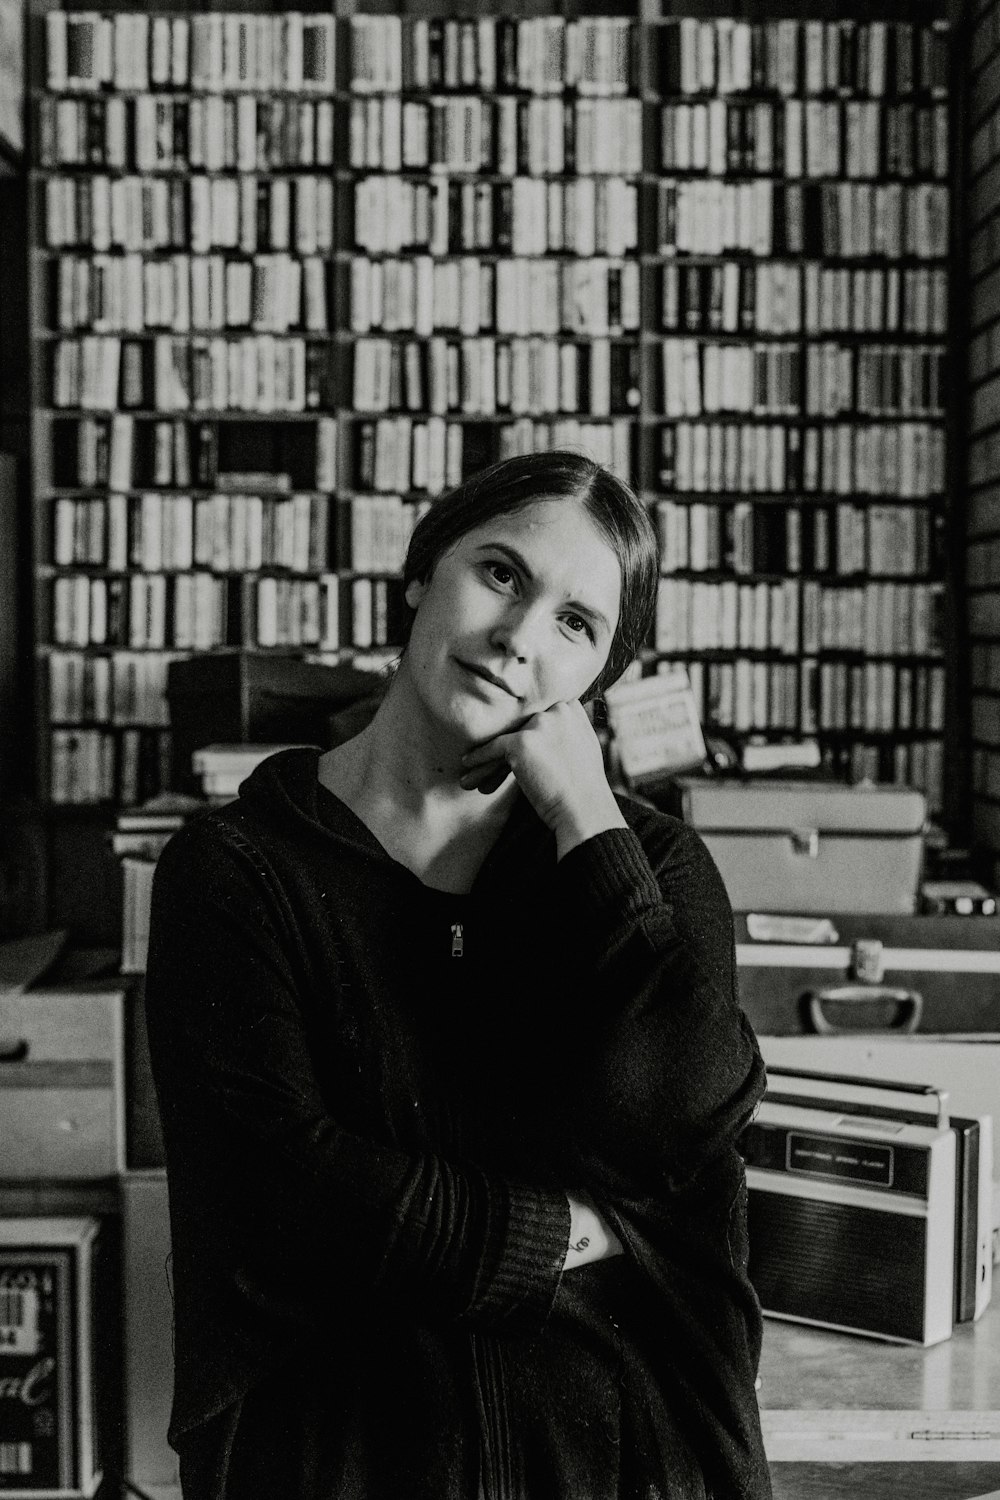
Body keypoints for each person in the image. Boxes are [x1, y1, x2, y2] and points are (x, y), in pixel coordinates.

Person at [144, 449, 772, 1500]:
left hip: (619, 1459)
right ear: (421, 573)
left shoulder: (651, 867)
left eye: (576, 625)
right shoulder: (234, 867)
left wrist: (584, 815)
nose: (519, 638)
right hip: (339, 1458)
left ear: (597, 682)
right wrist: (564, 1233)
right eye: (500, 574)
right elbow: (280, 1193)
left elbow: (678, 1113)